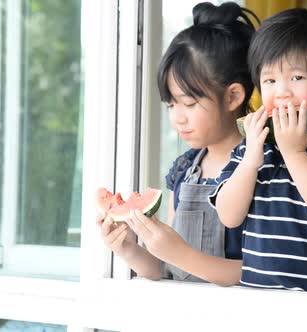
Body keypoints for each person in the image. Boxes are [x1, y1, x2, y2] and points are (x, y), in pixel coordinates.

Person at [209, 8, 307, 295]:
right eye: (270, 81)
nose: (281, 92)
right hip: (259, 307)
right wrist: (249, 162)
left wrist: (295, 153)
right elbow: (229, 216)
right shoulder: (252, 147)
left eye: (296, 77)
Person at [97, 2, 259, 286]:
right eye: (171, 104)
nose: (177, 118)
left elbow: (265, 273)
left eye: (189, 102)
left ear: (233, 97)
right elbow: (166, 268)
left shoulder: (262, 165)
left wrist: (181, 254)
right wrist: (127, 248)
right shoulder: (184, 169)